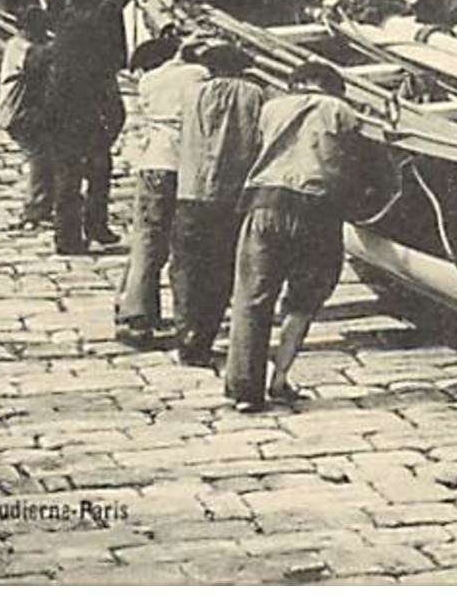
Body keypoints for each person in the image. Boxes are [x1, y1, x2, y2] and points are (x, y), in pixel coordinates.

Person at [224, 62, 372, 412]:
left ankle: (245, 390)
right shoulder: (341, 111)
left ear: (296, 84)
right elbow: (359, 164)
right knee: (305, 299)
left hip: (264, 205)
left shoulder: (271, 108)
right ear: (333, 88)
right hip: (316, 211)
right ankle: (279, 379)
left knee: (252, 298)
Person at [172, 41, 266, 367]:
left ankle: (186, 336)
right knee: (222, 269)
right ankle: (206, 336)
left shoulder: (192, 93)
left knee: (187, 268)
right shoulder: (255, 95)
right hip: (233, 195)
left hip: (191, 190)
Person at [115, 31, 208, 349]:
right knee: (183, 243)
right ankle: (186, 318)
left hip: (153, 162)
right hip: (186, 165)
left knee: (146, 239)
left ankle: (135, 312)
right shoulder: (199, 75)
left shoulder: (149, 82)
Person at [51, 0, 141, 255]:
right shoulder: (81, 19)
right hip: (79, 116)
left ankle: (88, 230)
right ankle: (76, 234)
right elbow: (107, 7)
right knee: (80, 173)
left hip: (78, 114)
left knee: (86, 172)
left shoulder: (74, 14)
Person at [0, 5, 55, 230]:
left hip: (30, 111)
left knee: (47, 156)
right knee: (40, 158)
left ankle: (44, 205)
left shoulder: (28, 43)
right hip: (19, 113)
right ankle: (34, 210)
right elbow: (36, 61)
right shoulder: (19, 46)